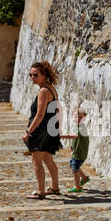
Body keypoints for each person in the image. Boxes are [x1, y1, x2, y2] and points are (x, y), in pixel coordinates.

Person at [22, 60, 61, 198]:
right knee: (48, 159)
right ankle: (55, 187)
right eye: (30, 75)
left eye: (35, 75)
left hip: (41, 131)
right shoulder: (51, 88)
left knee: (37, 161)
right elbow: (55, 110)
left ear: (44, 75)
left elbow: (39, 115)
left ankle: (40, 192)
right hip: (50, 129)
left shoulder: (44, 91)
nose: (32, 78)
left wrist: (28, 132)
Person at [64, 108, 90, 193]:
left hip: (80, 153)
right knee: (73, 165)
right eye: (76, 117)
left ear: (84, 118)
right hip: (77, 152)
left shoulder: (82, 128)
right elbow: (77, 139)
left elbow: (74, 136)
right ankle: (84, 178)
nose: (78, 119)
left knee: (75, 169)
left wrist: (63, 136)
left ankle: (77, 187)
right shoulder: (77, 126)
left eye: (80, 117)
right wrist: (72, 146)